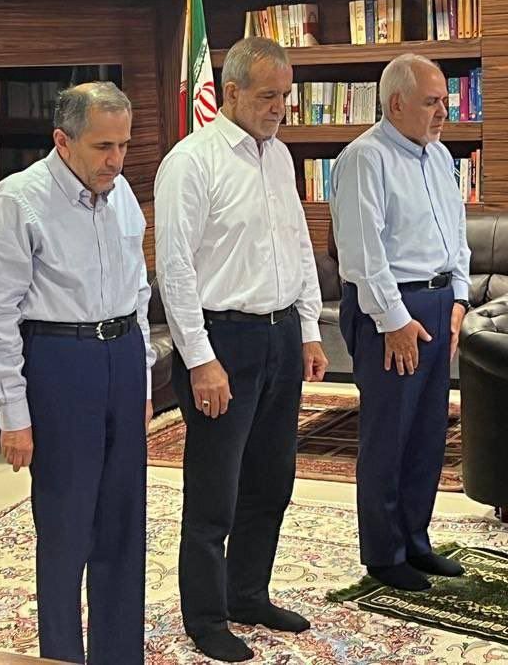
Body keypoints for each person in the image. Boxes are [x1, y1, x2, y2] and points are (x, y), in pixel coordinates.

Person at [155, 36, 328, 663]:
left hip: (280, 335)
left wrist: (308, 329)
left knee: (271, 480)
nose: (280, 107)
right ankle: (204, 617)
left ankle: (247, 593)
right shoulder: (192, 162)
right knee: (215, 490)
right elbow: (173, 269)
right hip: (222, 338)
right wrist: (199, 359)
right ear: (229, 92)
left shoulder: (279, 157)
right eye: (267, 96)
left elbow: (300, 247)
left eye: (286, 95)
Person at [0, 82, 154, 665]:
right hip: (59, 363)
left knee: (124, 523)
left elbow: (138, 291)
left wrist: (143, 379)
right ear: (62, 140)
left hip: (121, 356)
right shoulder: (18, 200)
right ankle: (61, 656)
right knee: (66, 526)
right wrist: (13, 413)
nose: (115, 160)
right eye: (103, 146)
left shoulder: (121, 192)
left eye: (124, 145)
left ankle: (119, 654)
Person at [329, 53, 470, 592]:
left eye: (445, 101)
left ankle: (416, 538)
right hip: (389, 309)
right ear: (395, 104)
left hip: (436, 306)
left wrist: (458, 300)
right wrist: (394, 321)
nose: (443, 112)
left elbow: (456, 234)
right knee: (389, 435)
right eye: (432, 102)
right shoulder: (364, 159)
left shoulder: (438, 156)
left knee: (428, 434)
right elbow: (362, 254)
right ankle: (384, 553)